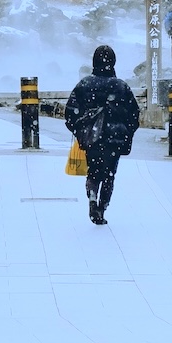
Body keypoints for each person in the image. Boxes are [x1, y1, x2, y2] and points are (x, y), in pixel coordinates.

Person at [65, 45, 141, 225]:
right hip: (114, 139)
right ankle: (102, 207)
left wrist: (80, 131)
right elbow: (134, 115)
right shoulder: (121, 86)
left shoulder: (84, 84)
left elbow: (70, 113)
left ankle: (92, 198)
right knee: (109, 174)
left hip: (92, 138)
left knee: (93, 171)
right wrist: (126, 132)